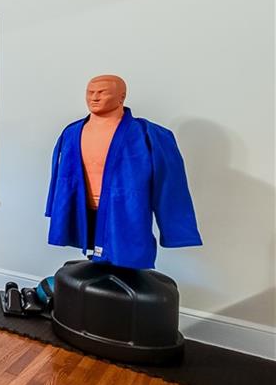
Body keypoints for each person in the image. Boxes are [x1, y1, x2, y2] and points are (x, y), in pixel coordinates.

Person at [45, 75, 202, 269]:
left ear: (121, 97)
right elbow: (59, 175)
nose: (94, 98)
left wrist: (176, 229)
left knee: (126, 258)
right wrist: (56, 207)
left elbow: (170, 186)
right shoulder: (72, 131)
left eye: (102, 92)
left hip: (126, 207)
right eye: (90, 92)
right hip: (83, 205)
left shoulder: (148, 134)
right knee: (94, 253)